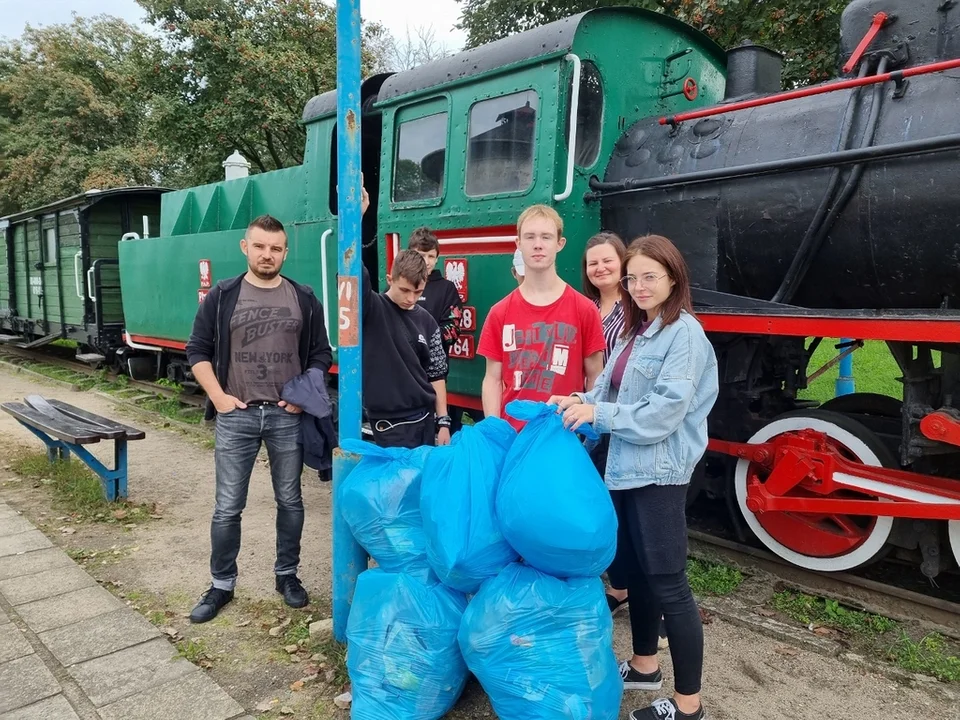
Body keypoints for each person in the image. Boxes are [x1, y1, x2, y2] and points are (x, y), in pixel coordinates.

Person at [550, 234, 719, 720]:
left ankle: (689, 706)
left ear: (673, 278)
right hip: (625, 470)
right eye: (633, 277)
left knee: (669, 583)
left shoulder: (684, 334)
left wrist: (597, 415)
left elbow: (664, 414)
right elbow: (605, 387)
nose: (640, 286)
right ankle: (645, 666)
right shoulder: (634, 330)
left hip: (659, 473)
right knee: (639, 573)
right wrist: (574, 402)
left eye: (651, 277)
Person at [185, 214, 333, 623]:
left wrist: (303, 397)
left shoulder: (303, 297)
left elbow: (321, 353)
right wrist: (218, 397)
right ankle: (221, 585)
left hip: (286, 417)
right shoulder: (223, 295)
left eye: (275, 248)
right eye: (260, 246)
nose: (267, 254)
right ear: (245, 247)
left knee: (290, 500)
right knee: (228, 506)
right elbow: (196, 350)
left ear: (285, 251)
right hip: (239, 415)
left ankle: (287, 575)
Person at [478, 205, 605, 431]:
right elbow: (492, 380)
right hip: (513, 434)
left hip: (563, 434)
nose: (538, 244)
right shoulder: (499, 312)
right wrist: (494, 430)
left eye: (546, 237)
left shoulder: (584, 309)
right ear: (518, 244)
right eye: (530, 237)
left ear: (560, 244)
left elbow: (596, 377)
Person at [361, 249, 452, 448]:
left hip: (425, 419)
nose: (410, 298)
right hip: (388, 422)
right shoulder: (371, 308)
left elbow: (437, 374)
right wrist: (354, 222)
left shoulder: (428, 322)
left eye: (418, 292)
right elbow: (354, 276)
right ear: (390, 279)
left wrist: (443, 421)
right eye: (404, 290)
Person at [407, 227, 463, 354]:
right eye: (421, 255)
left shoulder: (447, 289)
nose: (426, 262)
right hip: (401, 366)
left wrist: (419, 339)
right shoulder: (397, 286)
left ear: (437, 258)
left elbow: (453, 331)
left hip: (433, 369)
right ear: (410, 255)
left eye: (431, 256)